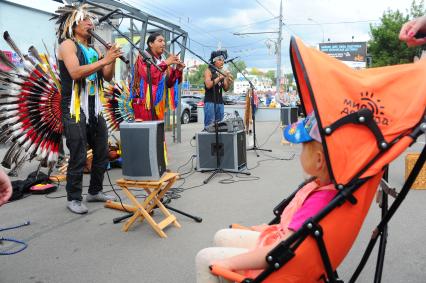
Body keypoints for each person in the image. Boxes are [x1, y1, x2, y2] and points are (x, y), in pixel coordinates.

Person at [195, 112, 338, 282]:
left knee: (204, 259)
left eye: (303, 148)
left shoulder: (317, 202)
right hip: (283, 244)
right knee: (221, 236)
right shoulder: (325, 187)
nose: (300, 154)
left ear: (319, 160)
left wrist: (230, 263)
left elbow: (280, 249)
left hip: (282, 262)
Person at [53, 4, 121, 214]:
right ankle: (73, 198)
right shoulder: (67, 45)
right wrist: (104, 61)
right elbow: (74, 72)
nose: (90, 23)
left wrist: (111, 58)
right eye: (85, 20)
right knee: (79, 153)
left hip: (94, 105)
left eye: (91, 20)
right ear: (73, 25)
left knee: (102, 150)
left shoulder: (93, 49)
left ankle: (95, 191)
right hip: (74, 107)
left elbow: (107, 77)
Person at [131, 32, 184, 121]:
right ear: (151, 44)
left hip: (158, 105)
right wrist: (166, 63)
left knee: (157, 133)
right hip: (143, 104)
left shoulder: (161, 60)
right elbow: (150, 76)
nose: (163, 43)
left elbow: (169, 83)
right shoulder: (143, 57)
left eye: (164, 41)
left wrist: (178, 69)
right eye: (160, 41)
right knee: (147, 133)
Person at [203, 51, 233, 128]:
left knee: (220, 127)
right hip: (210, 102)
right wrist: (220, 77)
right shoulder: (208, 71)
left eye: (223, 60)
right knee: (210, 126)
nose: (222, 62)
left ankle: (218, 140)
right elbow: (208, 85)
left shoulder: (220, 72)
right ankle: (209, 140)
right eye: (219, 60)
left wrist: (229, 81)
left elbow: (226, 88)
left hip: (220, 102)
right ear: (214, 61)